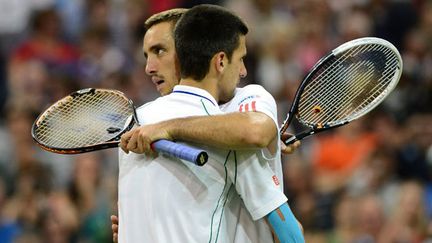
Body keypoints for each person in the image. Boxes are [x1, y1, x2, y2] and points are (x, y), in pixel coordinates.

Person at [116, 6, 303, 243]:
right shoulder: (142, 125)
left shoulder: (240, 108)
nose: (149, 67)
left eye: (160, 51)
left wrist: (169, 127)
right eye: (147, 55)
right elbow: (291, 231)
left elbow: (255, 131)